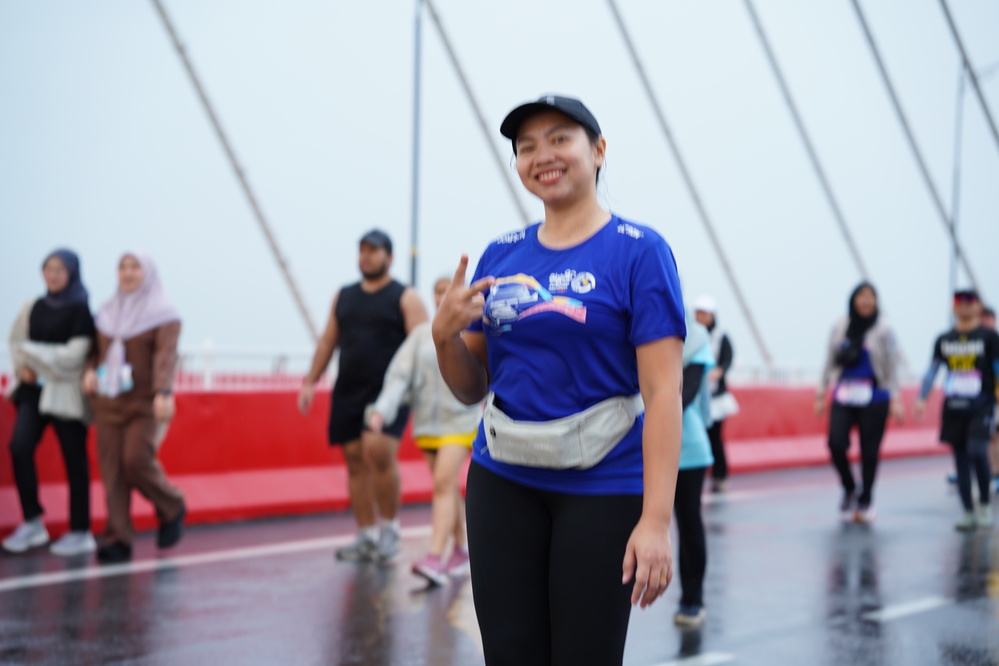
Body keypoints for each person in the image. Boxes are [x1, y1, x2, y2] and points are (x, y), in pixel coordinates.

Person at [432, 95, 685, 664]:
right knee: (510, 654)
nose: (542, 155)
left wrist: (655, 521)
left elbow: (663, 393)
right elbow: (471, 388)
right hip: (503, 479)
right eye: (526, 147)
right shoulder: (501, 254)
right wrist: (443, 337)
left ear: (598, 151)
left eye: (560, 139)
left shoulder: (639, 252)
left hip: (603, 486)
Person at [298, 230, 428, 562]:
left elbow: (423, 347)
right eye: (362, 250)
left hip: (388, 393)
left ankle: (390, 530)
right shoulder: (343, 296)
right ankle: (366, 534)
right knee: (355, 460)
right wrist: (310, 381)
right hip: (348, 390)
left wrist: (423, 391)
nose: (366, 256)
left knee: (378, 452)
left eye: (373, 250)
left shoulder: (406, 297)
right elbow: (328, 341)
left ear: (389, 257)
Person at [367, 276, 482, 586]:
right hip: (427, 426)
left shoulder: (472, 328)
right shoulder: (420, 335)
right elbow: (400, 374)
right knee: (447, 489)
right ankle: (461, 549)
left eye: (448, 291)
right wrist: (382, 410)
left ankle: (434, 557)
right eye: (438, 291)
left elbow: (484, 368)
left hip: (460, 422)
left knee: (443, 483)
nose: (443, 296)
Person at [83, 252, 186, 563]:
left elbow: (165, 356)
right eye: (123, 267)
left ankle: (171, 505)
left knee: (135, 460)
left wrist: (163, 391)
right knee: (112, 471)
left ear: (148, 273)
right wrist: (89, 371)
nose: (128, 273)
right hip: (108, 401)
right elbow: (94, 352)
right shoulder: (106, 312)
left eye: (135, 267)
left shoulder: (164, 313)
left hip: (144, 403)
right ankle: (118, 538)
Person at [3, 250, 97, 556]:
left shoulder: (80, 310)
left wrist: (33, 355)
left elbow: (72, 358)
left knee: (74, 459)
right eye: (48, 269)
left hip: (66, 394)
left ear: (71, 273)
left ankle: (80, 530)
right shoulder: (32, 306)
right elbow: (16, 343)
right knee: (19, 447)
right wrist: (24, 367)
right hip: (33, 392)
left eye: (59, 270)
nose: (53, 275)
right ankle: (32, 521)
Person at [815, 282, 903, 523]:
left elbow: (892, 365)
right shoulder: (841, 326)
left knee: (869, 452)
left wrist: (895, 398)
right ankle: (850, 487)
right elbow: (829, 359)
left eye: (871, 296)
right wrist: (820, 393)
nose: (866, 301)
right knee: (835, 443)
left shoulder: (884, 329)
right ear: (853, 300)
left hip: (875, 395)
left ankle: (866, 499)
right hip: (844, 393)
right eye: (861, 296)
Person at [915, 289, 999, 530]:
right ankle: (968, 512)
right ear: (953, 306)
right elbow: (933, 369)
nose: (964, 305)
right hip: (953, 407)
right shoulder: (944, 339)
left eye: (969, 301)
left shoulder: (989, 337)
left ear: (978, 306)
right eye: (958, 301)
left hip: (981, 405)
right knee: (960, 459)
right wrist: (922, 397)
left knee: (977, 451)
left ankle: (985, 504)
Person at [673, 316, 715, 627]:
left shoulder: (697, 338)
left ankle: (692, 598)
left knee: (688, 523)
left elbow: (685, 395)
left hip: (687, 447)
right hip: (639, 443)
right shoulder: (634, 322)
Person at [692, 295, 737, 493]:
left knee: (715, 438)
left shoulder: (720, 336)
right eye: (698, 313)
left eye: (705, 314)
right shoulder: (691, 335)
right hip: (695, 395)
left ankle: (720, 475)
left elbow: (727, 358)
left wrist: (719, 371)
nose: (701, 317)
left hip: (716, 398)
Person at [982, 306, 999, 493]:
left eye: (989, 319)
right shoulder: (978, 342)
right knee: (990, 436)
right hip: (985, 397)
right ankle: (993, 472)